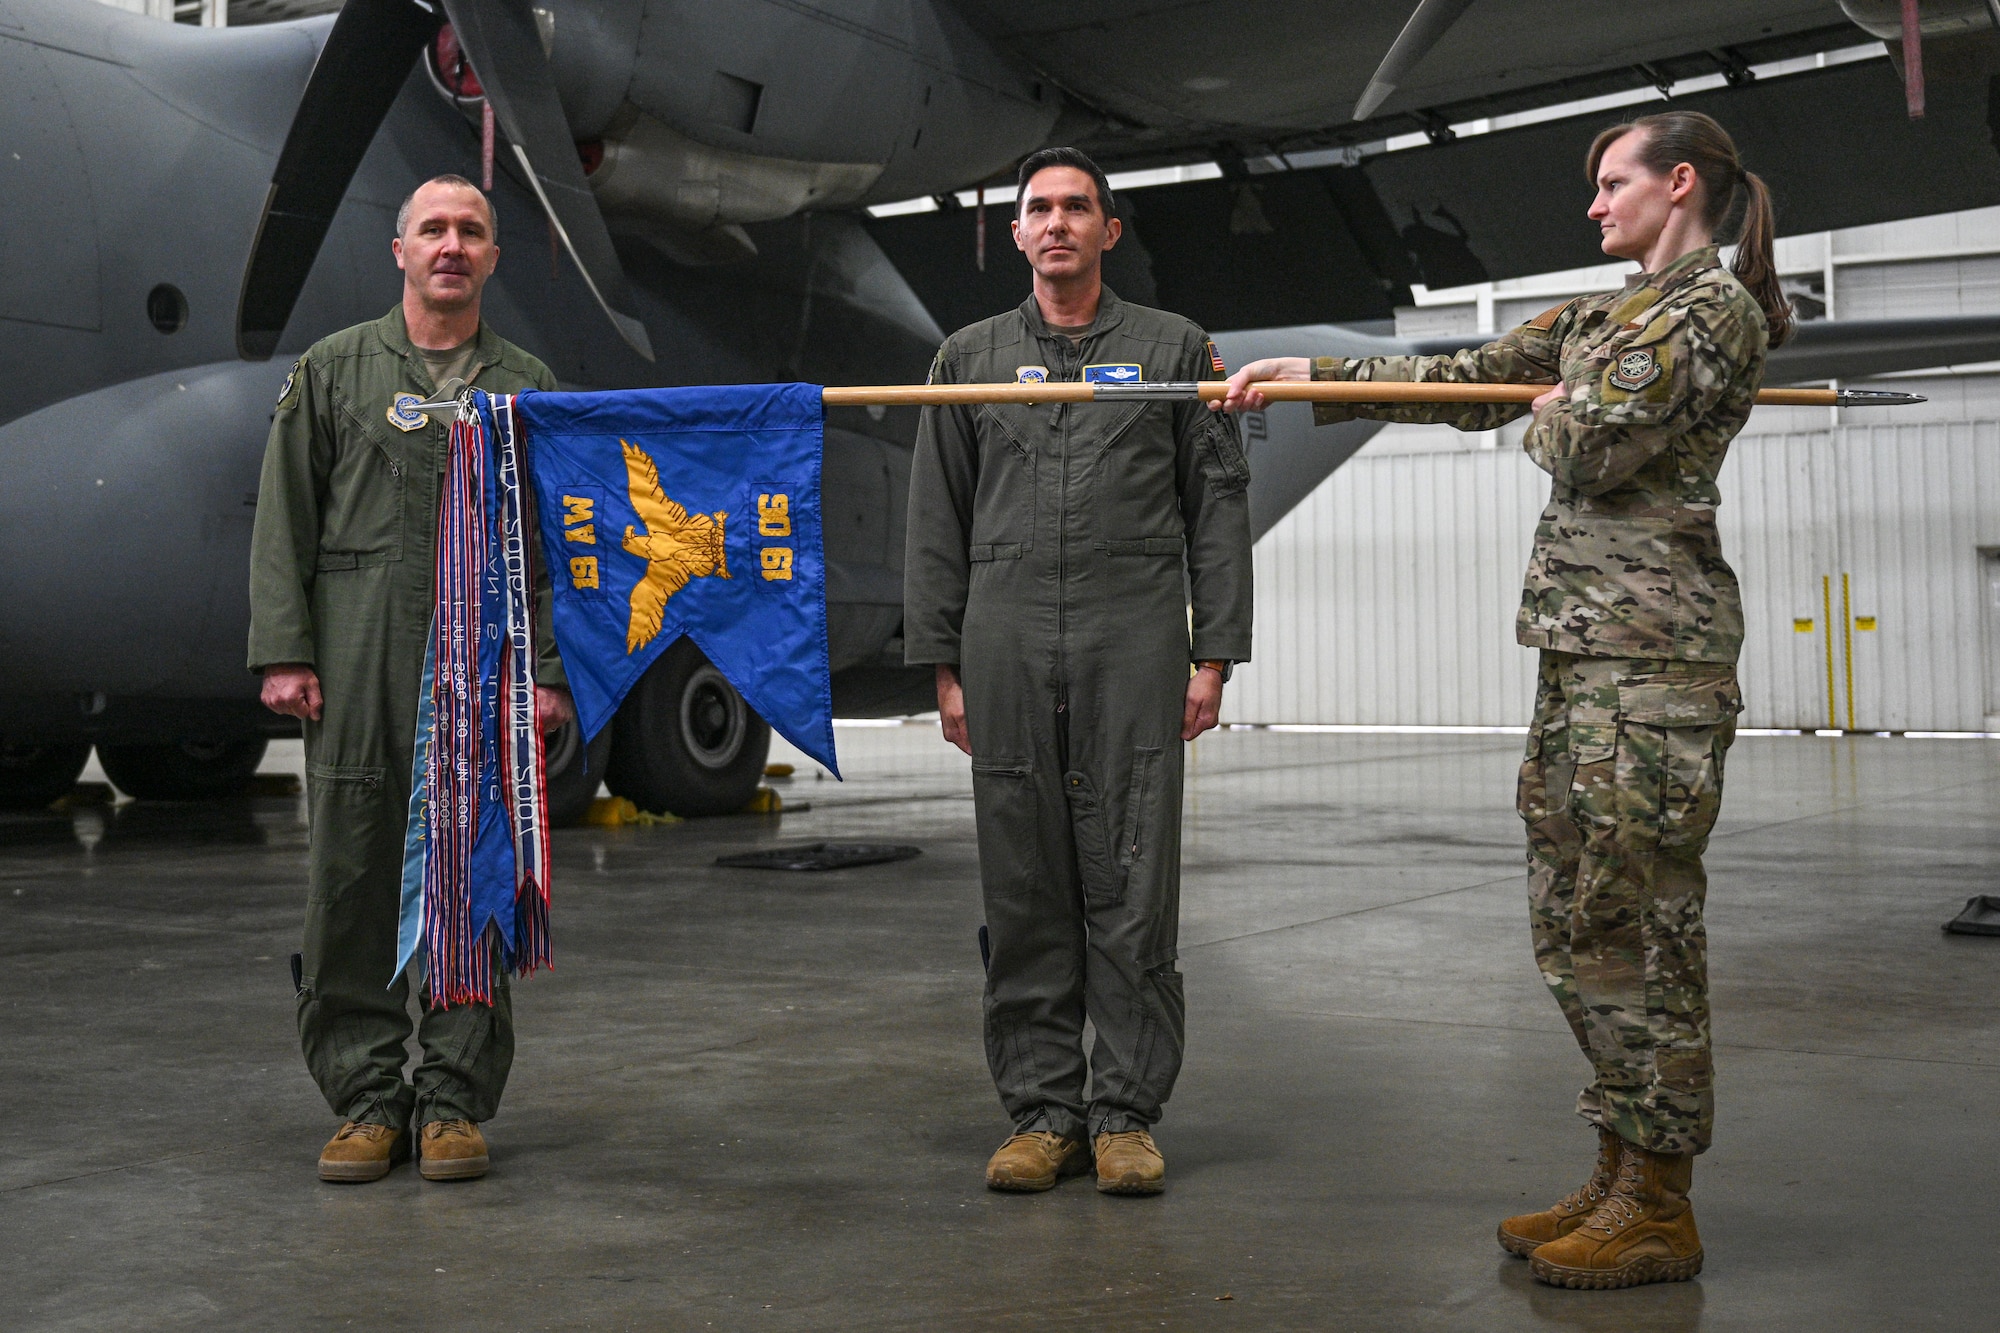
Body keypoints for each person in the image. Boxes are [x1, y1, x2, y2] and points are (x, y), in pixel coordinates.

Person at [1225, 110, 1790, 1287]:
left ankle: (1659, 1203)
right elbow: (1470, 377)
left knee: (1642, 924)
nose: (1592, 204)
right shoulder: (1606, 317)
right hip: (1582, 656)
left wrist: (1551, 409)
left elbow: (1586, 448)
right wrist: (1314, 377)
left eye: (1610, 182)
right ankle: (1617, 1162)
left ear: (1677, 184)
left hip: (1652, 665)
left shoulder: (1707, 311)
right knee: (1574, 916)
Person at [904, 147, 1254, 1196]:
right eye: (1039, 209)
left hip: (1131, 640)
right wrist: (943, 664)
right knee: (1022, 884)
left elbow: (1215, 506)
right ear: (1016, 233)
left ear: (1109, 229)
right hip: (1004, 640)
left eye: (1076, 207)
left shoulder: (1173, 348)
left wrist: (1212, 653)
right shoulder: (966, 357)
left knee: (1132, 882)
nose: (1056, 222)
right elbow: (936, 517)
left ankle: (1124, 1116)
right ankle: (1042, 1113)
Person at [249, 175, 572, 1183]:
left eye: (471, 231)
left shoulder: (526, 385)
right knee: (351, 876)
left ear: (492, 258)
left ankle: (451, 1101)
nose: (451, 245)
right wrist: (286, 649)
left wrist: (548, 672)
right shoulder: (332, 371)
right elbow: (284, 515)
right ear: (400, 251)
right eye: (432, 229)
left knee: (473, 876)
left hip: (483, 670)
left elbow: (558, 546)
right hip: (356, 657)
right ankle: (366, 1099)